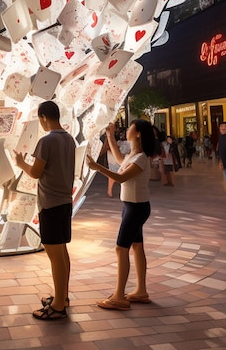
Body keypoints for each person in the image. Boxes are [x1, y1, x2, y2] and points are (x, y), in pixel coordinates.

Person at [86, 119, 158, 310]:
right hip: (133, 206)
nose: (127, 130)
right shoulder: (134, 155)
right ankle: (141, 291)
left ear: (138, 133)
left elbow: (120, 177)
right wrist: (109, 136)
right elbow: (119, 160)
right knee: (137, 246)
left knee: (121, 248)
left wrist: (96, 167)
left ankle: (119, 296)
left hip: (136, 208)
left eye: (130, 128)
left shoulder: (141, 158)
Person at [14, 100, 75, 320]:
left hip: (50, 203)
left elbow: (36, 172)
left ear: (43, 118)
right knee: (62, 252)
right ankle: (62, 296)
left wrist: (21, 163)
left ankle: (58, 306)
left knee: (54, 255)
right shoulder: (69, 139)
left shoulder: (46, 141)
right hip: (65, 201)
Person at [102, 122, 130, 197]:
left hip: (120, 159)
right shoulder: (117, 140)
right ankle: (110, 190)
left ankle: (121, 191)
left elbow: (121, 152)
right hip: (113, 159)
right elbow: (109, 147)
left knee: (121, 175)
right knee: (112, 174)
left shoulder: (128, 143)